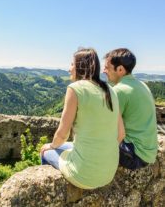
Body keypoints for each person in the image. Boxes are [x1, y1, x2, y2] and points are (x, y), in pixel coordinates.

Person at [40, 48, 125, 189]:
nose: (69, 69)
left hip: (85, 175)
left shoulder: (75, 89)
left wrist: (50, 146)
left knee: (46, 151)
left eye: (72, 64)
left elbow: (62, 135)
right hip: (109, 172)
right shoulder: (110, 91)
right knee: (69, 146)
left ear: (80, 67)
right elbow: (121, 134)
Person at [103, 48, 158, 170]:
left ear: (120, 69)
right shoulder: (141, 84)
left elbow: (106, 126)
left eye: (107, 67)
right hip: (148, 153)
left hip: (133, 155)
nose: (104, 70)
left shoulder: (120, 91)